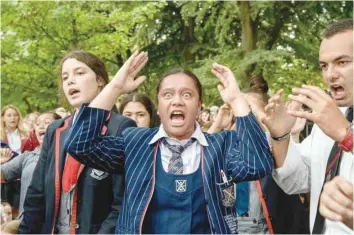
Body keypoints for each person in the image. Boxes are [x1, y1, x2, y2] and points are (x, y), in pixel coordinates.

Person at [65, 50, 274, 234]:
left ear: (199, 106)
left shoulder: (221, 146)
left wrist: (237, 100)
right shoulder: (135, 144)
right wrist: (115, 87)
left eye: (187, 94)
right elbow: (80, 145)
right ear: (158, 108)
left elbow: (257, 164)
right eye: (167, 94)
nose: (177, 100)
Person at [18, 51, 136, 234]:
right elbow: (36, 195)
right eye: (65, 77)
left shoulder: (120, 127)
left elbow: (122, 204)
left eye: (79, 73)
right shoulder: (55, 130)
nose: (70, 81)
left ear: (100, 80)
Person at [261, 19, 353, 234]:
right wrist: (280, 136)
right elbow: (297, 181)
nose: (330, 75)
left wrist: (345, 135)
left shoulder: (333, 121)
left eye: (342, 62)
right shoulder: (326, 119)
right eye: (324, 65)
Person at [209, 76, 309, 234]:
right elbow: (200, 161)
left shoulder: (276, 150)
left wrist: (290, 135)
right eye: (239, 117)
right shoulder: (229, 149)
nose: (245, 123)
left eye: (251, 115)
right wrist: (217, 125)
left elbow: (299, 182)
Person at [1, 112, 61, 218]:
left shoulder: (67, 155)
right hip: (27, 222)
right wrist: (1, 161)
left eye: (47, 122)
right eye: (37, 124)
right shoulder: (27, 156)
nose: (41, 126)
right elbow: (2, 174)